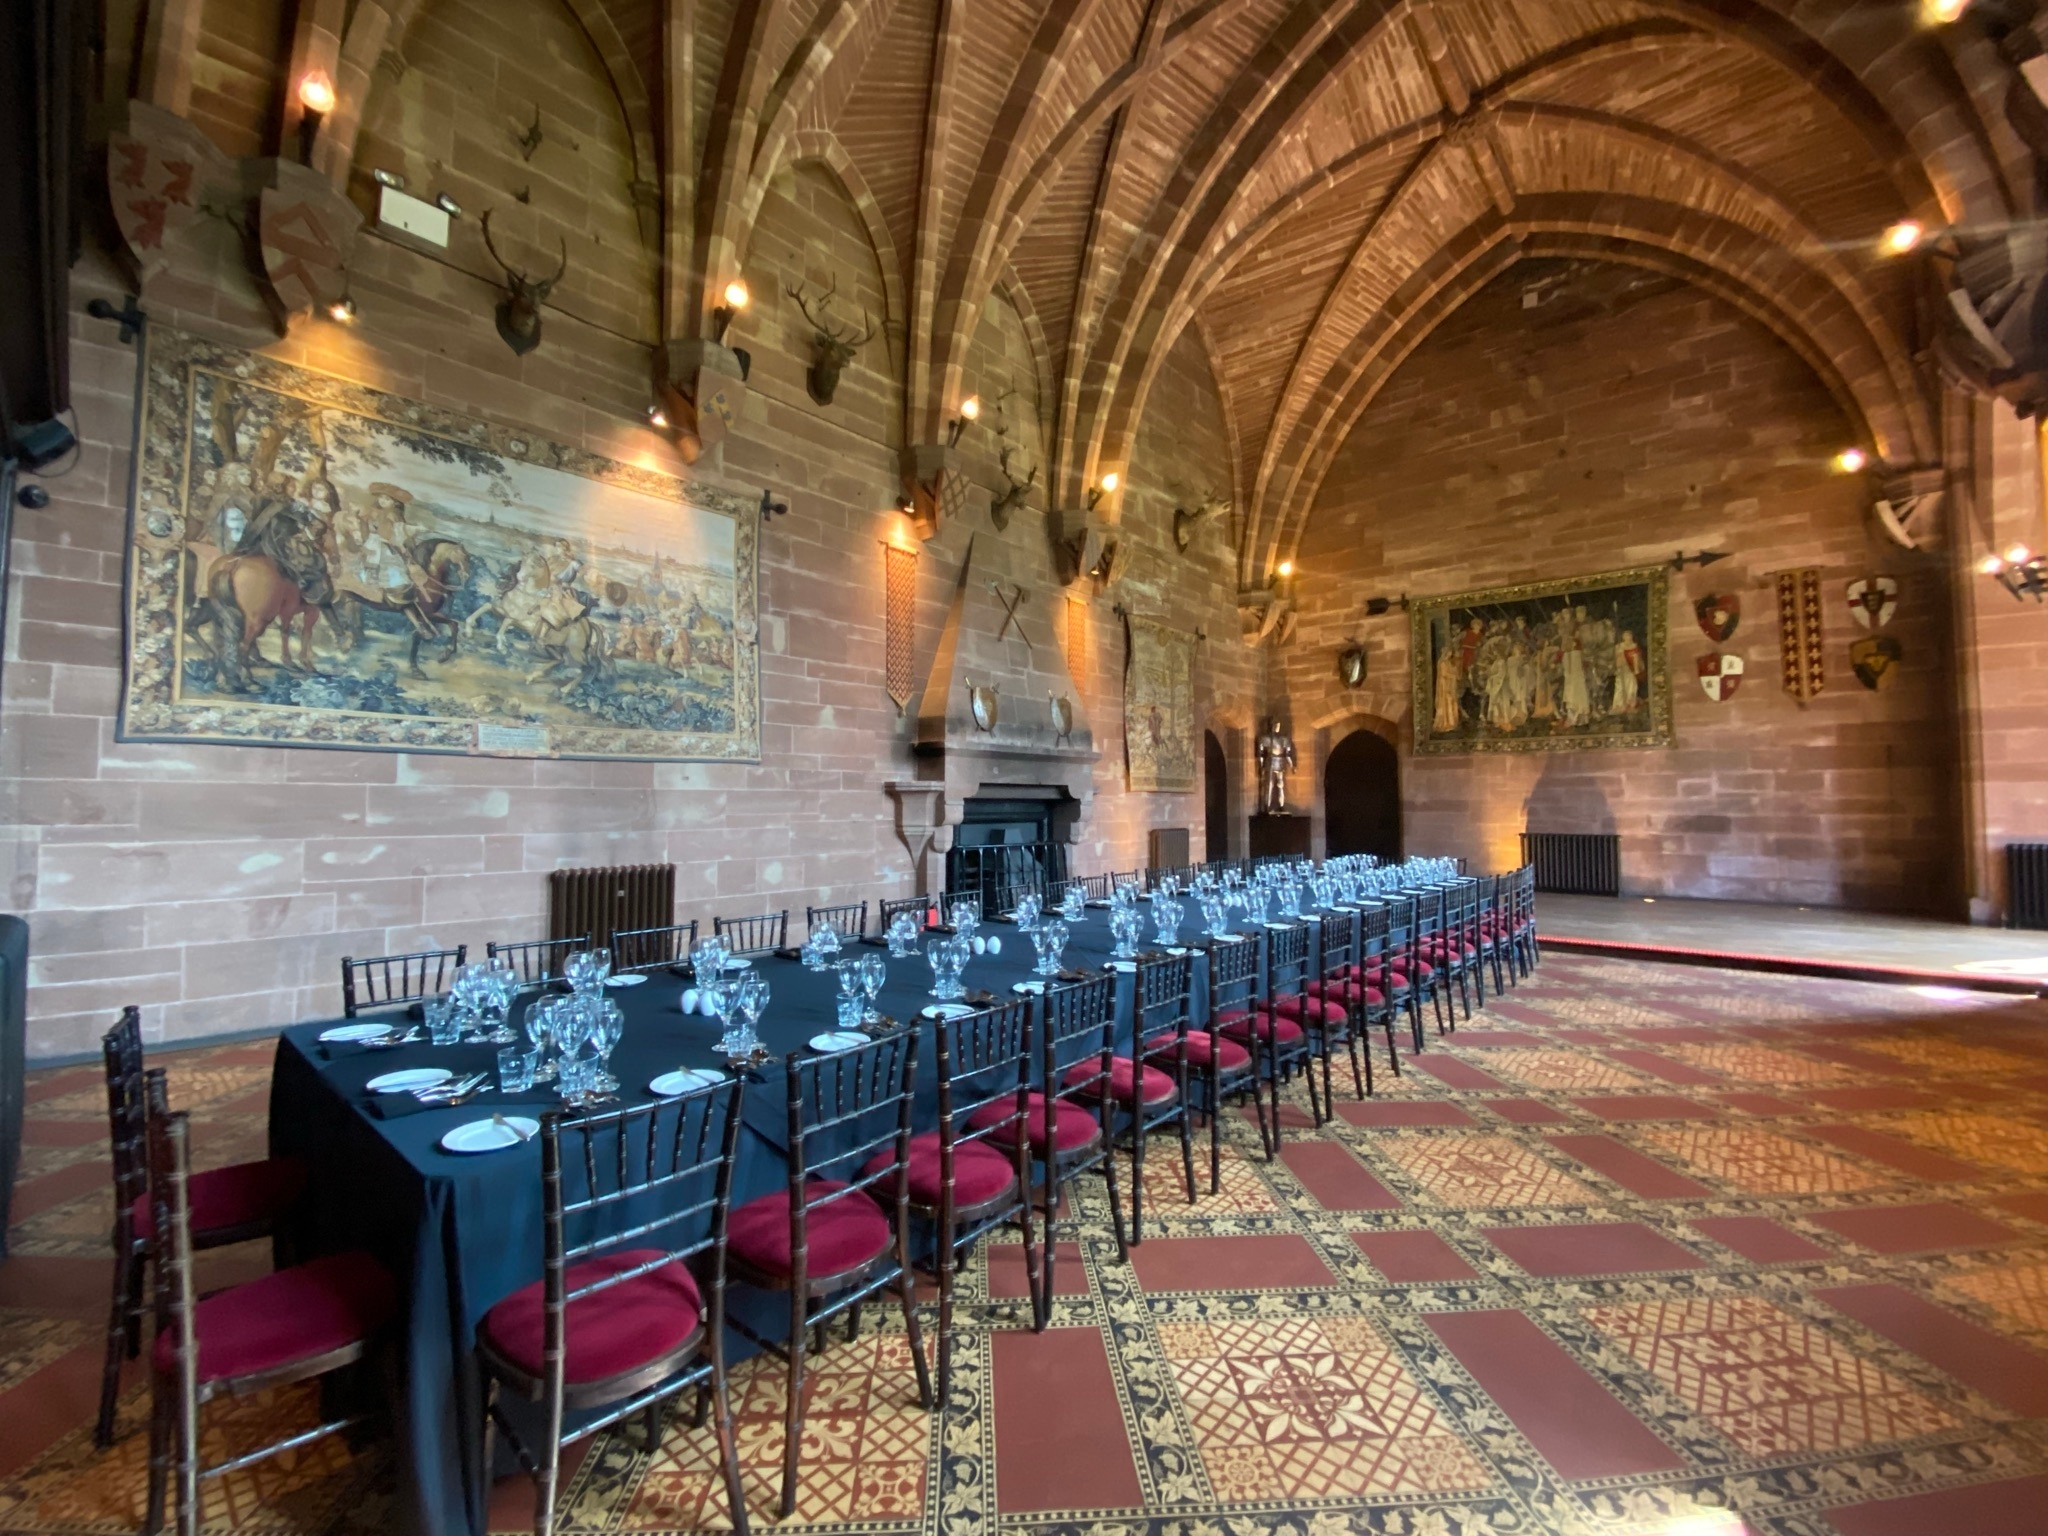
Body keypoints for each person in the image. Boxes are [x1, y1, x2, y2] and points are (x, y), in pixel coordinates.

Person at [1255, 718, 1296, 814]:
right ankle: (1267, 807)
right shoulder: (1265, 738)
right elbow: (1260, 754)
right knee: (1269, 785)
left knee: (1280, 785)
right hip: (1269, 760)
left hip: (1280, 761)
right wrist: (1261, 766)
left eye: (1277, 724)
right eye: (1274, 725)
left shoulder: (1283, 739)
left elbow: (1287, 754)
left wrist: (1292, 765)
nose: (1276, 727)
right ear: (1271, 726)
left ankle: (1281, 805)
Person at [1611, 627, 1642, 714]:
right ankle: (1619, 705)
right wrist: (1619, 654)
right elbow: (1615, 658)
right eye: (1626, 635)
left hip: (1630, 670)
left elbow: (1637, 659)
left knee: (1632, 686)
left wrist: (1636, 669)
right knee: (1620, 687)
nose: (1628, 637)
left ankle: (1630, 703)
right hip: (1621, 669)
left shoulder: (1634, 646)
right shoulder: (1619, 647)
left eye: (1629, 635)